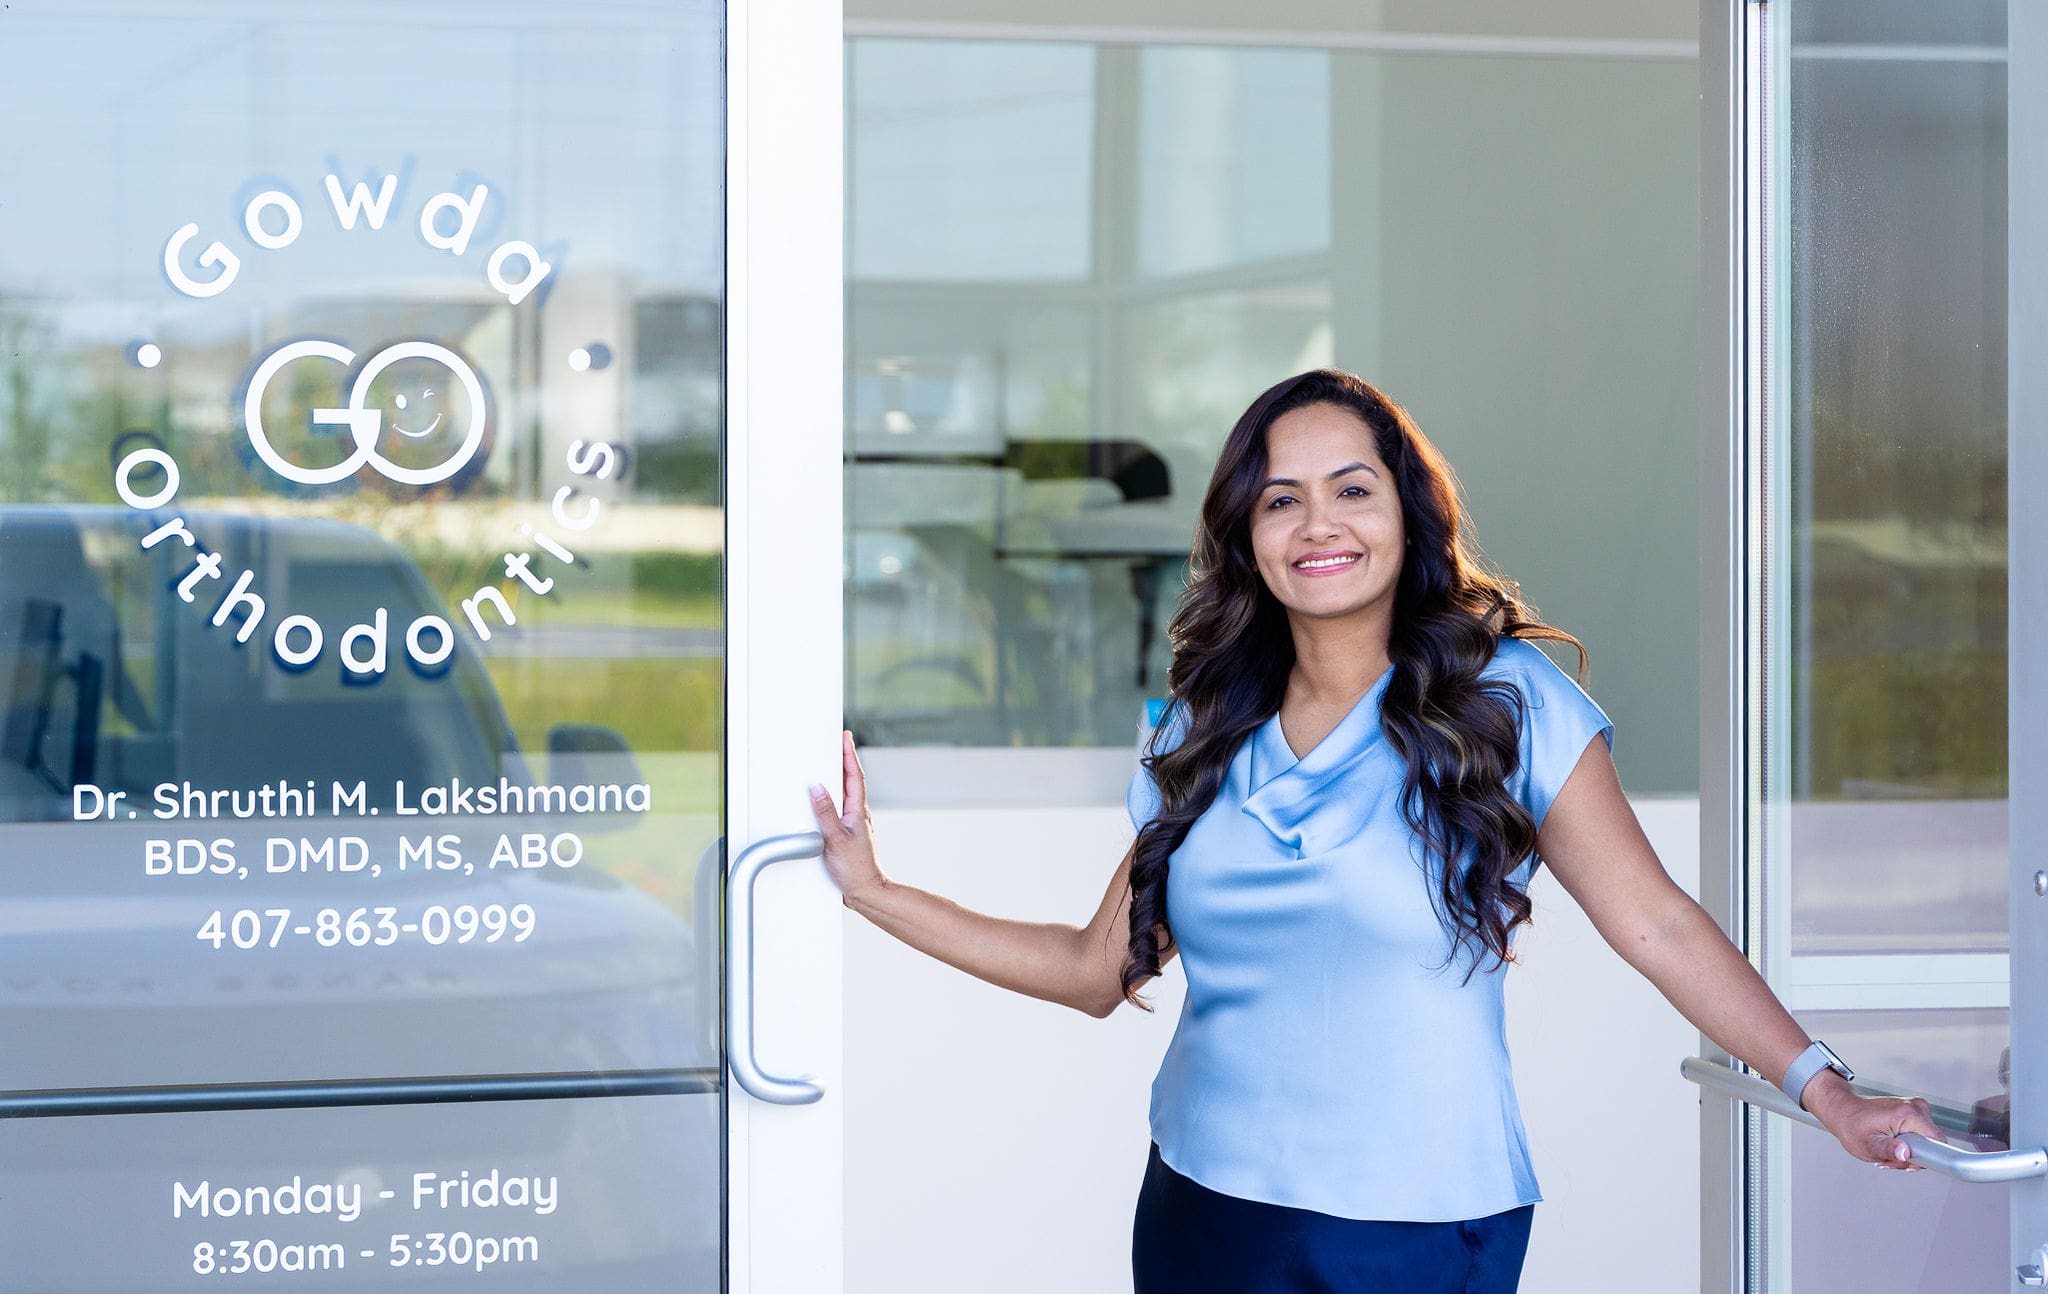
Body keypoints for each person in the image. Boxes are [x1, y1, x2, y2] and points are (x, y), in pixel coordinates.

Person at [809, 367, 1945, 1293]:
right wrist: (873, 888)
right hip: (1201, 1206)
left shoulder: (1507, 703)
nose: (1317, 525)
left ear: (1408, 511)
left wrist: (1822, 1088)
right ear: (1243, 532)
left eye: (1351, 490)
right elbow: (1091, 969)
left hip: (1411, 1228)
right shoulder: (1200, 730)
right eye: (1279, 497)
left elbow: (1654, 923)